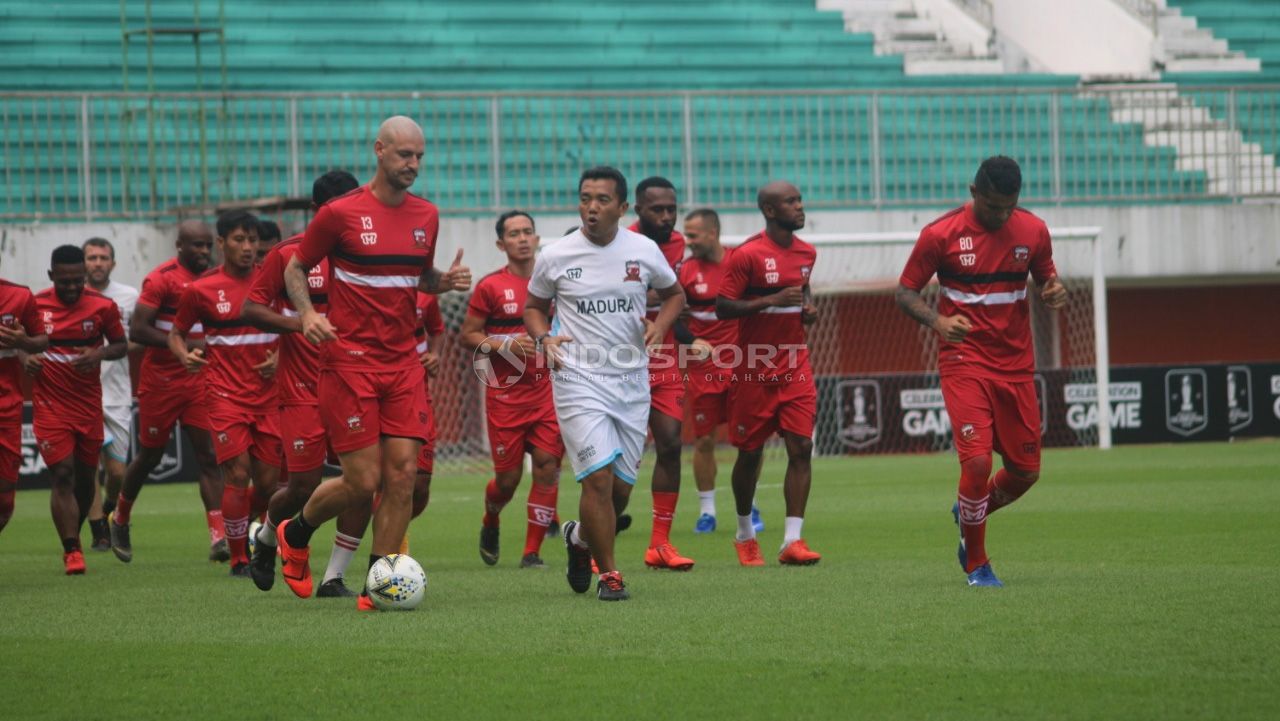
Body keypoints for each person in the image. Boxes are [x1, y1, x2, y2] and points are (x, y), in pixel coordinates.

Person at [274, 116, 471, 611]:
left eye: (420, 157)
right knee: (363, 482)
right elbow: (297, 267)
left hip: (403, 362)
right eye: (405, 155)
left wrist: (442, 283)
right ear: (379, 150)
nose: (414, 165)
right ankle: (294, 532)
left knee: (402, 477)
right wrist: (307, 314)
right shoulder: (340, 214)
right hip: (350, 362)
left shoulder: (427, 215)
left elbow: (416, 278)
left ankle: (376, 586)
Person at [895, 156, 1066, 588]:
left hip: (1016, 365)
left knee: (1026, 473)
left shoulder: (1034, 230)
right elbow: (904, 291)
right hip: (964, 360)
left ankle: (970, 510)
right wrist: (937, 322)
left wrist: (1053, 291)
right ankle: (977, 563)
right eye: (993, 206)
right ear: (974, 193)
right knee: (975, 464)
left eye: (1010, 206)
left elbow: (1047, 279)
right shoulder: (940, 234)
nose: (1002, 215)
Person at [525, 166, 686, 601]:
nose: (591, 207)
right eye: (584, 198)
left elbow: (675, 295)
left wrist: (660, 327)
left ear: (622, 207)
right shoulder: (556, 254)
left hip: (631, 381)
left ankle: (579, 540)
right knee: (595, 479)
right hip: (577, 378)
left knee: (618, 492)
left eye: (601, 200)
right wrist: (543, 336)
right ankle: (609, 575)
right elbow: (534, 306)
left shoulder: (644, 249)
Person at [242, 169, 372, 597]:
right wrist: (301, 322)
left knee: (365, 481)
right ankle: (265, 539)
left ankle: (334, 577)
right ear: (322, 213)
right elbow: (251, 308)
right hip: (301, 389)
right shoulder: (288, 255)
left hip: (354, 382)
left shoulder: (367, 253)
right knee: (300, 486)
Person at [169, 210, 281, 577]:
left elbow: (293, 327)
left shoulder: (273, 283)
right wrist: (185, 355)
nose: (248, 248)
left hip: (268, 397)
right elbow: (176, 333)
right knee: (237, 473)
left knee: (267, 484)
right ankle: (238, 558)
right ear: (221, 243)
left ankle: (244, 525)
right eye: (239, 240)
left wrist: (279, 355)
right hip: (223, 395)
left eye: (252, 241)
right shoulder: (200, 290)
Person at [716, 181, 822, 567]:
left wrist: (807, 311)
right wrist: (772, 300)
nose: (800, 206)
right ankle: (745, 534)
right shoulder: (747, 255)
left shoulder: (808, 252)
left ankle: (792, 541)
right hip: (753, 367)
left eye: (799, 199)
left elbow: (803, 294)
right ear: (769, 210)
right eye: (791, 202)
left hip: (794, 363)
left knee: (802, 447)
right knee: (749, 454)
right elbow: (723, 307)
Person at [109, 221, 226, 563]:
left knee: (207, 456)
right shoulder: (161, 279)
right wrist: (183, 345)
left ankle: (218, 537)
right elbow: (139, 329)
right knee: (150, 456)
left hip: (199, 379)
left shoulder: (216, 279)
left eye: (207, 245)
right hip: (161, 381)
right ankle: (121, 518)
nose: (204, 252)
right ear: (179, 246)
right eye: (197, 246)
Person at [459, 210, 563, 569]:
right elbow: (467, 335)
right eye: (514, 233)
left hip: (548, 390)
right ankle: (491, 519)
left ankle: (531, 553)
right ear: (501, 244)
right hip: (505, 396)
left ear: (536, 239)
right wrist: (503, 343)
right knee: (508, 480)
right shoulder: (490, 286)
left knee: (548, 465)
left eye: (528, 232)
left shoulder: (554, 282)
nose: (522, 238)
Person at [27, 245, 127, 573]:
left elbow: (120, 344)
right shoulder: (36, 305)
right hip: (50, 405)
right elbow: (18, 344)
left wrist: (97, 355)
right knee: (62, 474)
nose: (71, 287)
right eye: (64, 281)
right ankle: (72, 550)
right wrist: (26, 358)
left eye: (77, 281)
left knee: (86, 482)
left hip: (87, 406)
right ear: (51, 276)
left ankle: (77, 530)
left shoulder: (103, 307)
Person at [677, 209, 762, 535]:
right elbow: (674, 317)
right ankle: (707, 512)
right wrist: (692, 339)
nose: (689, 241)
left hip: (742, 365)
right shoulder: (685, 271)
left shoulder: (739, 264)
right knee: (704, 441)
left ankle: (749, 506)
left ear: (713, 233)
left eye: (694, 234)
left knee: (750, 442)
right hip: (703, 369)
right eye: (687, 234)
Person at [627, 176, 695, 570]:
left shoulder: (679, 244)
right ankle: (590, 540)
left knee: (670, 442)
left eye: (672, 208)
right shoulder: (623, 244)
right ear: (637, 211)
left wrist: (686, 336)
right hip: (618, 360)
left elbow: (674, 297)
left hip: (663, 355)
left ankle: (659, 544)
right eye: (658, 209)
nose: (667, 216)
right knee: (619, 462)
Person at [82, 237, 139, 552]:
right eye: (92, 258)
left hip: (117, 393)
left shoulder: (128, 297)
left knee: (116, 471)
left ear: (113, 263)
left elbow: (141, 339)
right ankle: (98, 530)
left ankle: (106, 507)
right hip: (82, 393)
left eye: (103, 258)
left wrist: (110, 348)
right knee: (88, 464)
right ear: (83, 263)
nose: (98, 263)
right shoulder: (72, 297)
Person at [0, 268, 48, 534]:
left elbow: (41, 339)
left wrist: (24, 341)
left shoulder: (19, 295)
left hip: (7, 404)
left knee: (5, 494)